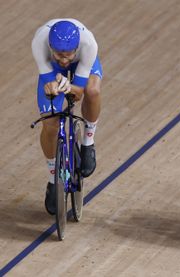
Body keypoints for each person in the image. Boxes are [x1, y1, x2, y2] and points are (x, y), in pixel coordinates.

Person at [32, 19, 103, 215]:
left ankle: (88, 141)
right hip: (51, 70)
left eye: (68, 55)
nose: (64, 60)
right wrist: (54, 85)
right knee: (50, 123)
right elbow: (49, 84)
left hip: (82, 64)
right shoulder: (39, 43)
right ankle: (53, 176)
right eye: (59, 55)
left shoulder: (88, 45)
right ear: (50, 47)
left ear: (76, 48)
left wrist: (69, 87)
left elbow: (78, 93)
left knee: (93, 90)